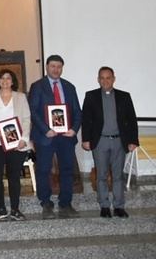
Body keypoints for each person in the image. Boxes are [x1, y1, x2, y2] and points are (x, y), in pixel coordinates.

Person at [28, 54, 82, 219]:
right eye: (53, 66)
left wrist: (74, 129)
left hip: (66, 136)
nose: (56, 69)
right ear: (47, 67)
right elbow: (33, 111)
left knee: (67, 169)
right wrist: (46, 129)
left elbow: (77, 112)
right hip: (46, 136)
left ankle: (66, 203)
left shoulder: (69, 87)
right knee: (44, 170)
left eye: (59, 67)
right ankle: (46, 203)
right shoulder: (37, 86)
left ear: (62, 68)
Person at [81, 66, 139, 218]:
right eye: (102, 78)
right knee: (101, 175)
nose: (105, 81)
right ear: (98, 79)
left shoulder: (124, 96)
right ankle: (104, 206)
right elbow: (86, 120)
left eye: (108, 78)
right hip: (100, 142)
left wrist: (133, 140)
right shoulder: (91, 96)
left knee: (119, 175)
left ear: (113, 79)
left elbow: (132, 120)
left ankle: (119, 206)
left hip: (119, 141)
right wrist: (86, 139)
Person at [0, 69, 32, 221]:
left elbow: (26, 119)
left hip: (15, 144)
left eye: (8, 78)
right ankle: (0, 208)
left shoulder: (21, 97)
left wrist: (24, 138)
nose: (5, 81)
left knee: (14, 176)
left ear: (12, 81)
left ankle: (15, 209)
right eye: (2, 78)